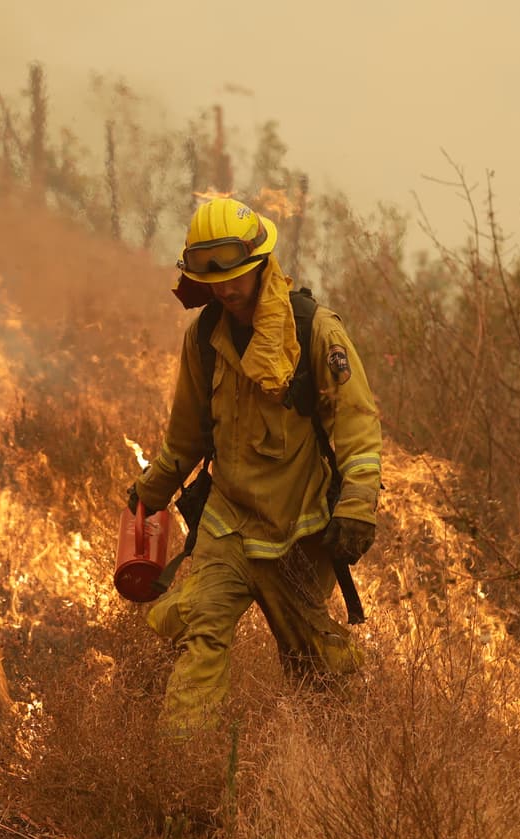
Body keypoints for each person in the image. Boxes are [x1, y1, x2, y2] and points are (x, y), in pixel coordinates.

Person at [130, 196, 383, 739]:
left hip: (297, 535)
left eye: (236, 274)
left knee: (317, 669)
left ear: (262, 262)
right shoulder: (203, 339)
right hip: (227, 527)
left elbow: (358, 431)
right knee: (200, 632)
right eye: (212, 278)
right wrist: (150, 491)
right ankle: (185, 773)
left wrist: (358, 508)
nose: (225, 289)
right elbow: (187, 436)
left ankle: (342, 769)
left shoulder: (315, 331)